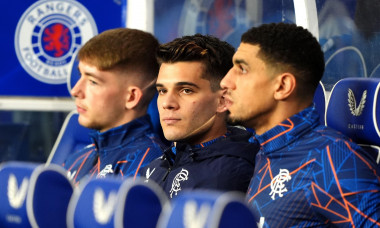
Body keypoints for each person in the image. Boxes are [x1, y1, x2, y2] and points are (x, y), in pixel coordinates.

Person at [221, 22, 380, 227]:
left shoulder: (332, 159)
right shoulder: (268, 149)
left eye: (242, 69)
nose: (226, 81)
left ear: (283, 86)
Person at [140, 34, 259, 199]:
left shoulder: (229, 173)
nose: (167, 103)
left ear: (223, 101)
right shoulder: (157, 164)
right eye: (162, 91)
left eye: (186, 90)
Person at [63, 28, 164, 184]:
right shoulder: (77, 159)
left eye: (93, 81)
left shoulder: (153, 166)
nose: (75, 90)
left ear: (131, 97)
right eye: (80, 75)